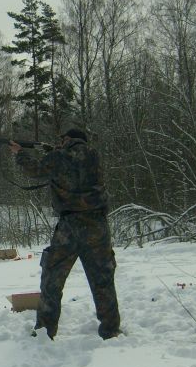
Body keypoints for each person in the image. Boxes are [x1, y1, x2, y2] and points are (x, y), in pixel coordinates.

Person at [10, 128, 121, 340]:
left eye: (62, 139)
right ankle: (111, 329)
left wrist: (20, 153)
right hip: (97, 225)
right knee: (103, 279)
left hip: (69, 226)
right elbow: (74, 166)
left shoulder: (59, 157)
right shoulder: (94, 155)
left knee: (52, 279)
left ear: (67, 139)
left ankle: (45, 331)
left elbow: (34, 170)